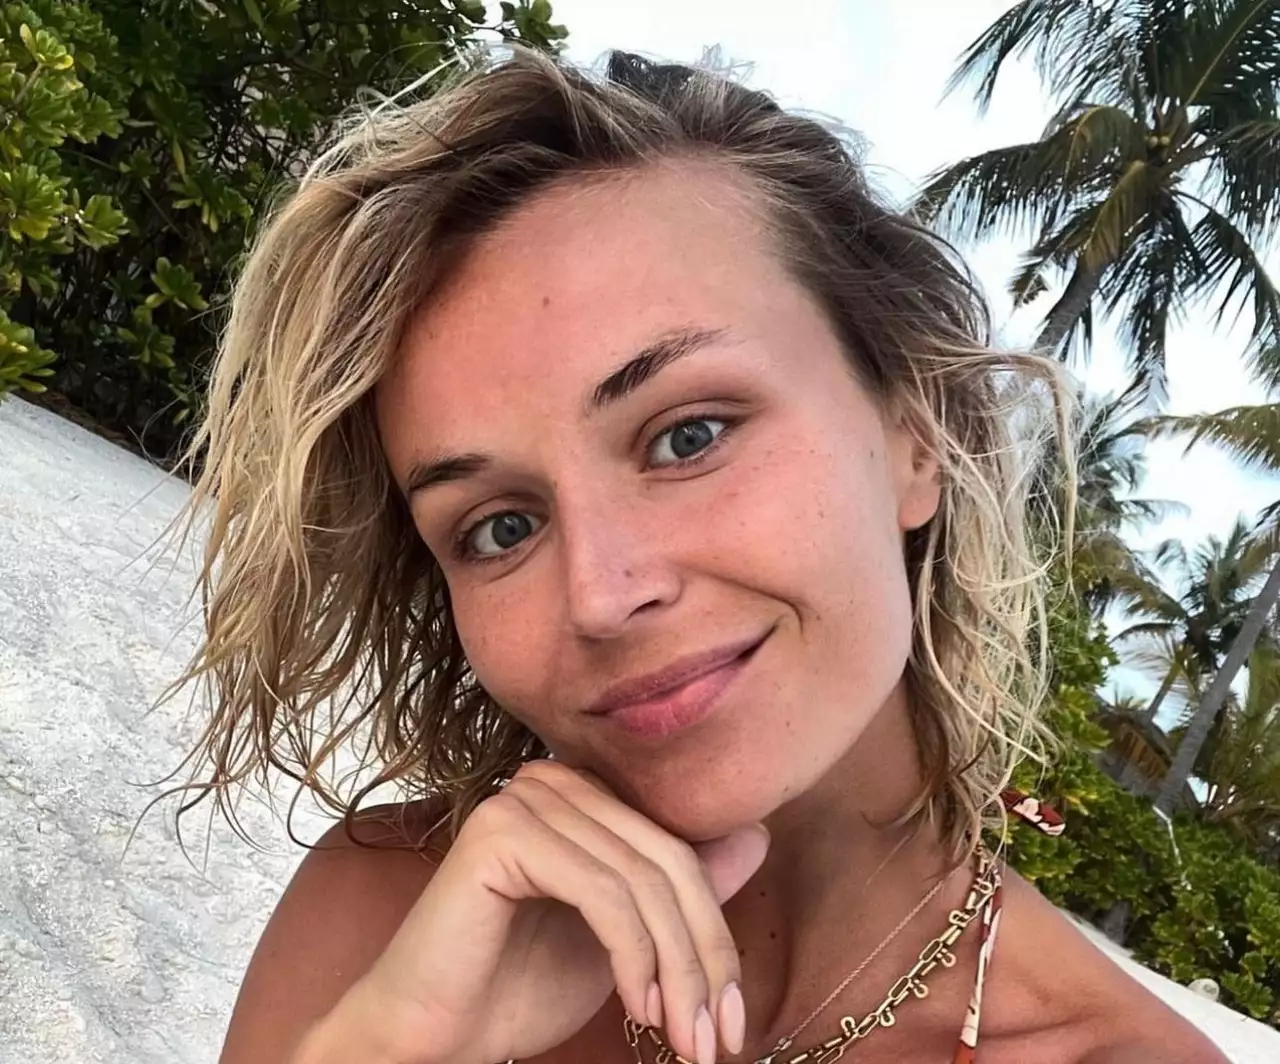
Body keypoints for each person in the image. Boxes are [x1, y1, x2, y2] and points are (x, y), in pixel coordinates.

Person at [167, 45, 1227, 1064]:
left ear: (917, 434)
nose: (600, 593)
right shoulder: (389, 929)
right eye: (500, 527)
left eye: (689, 435)